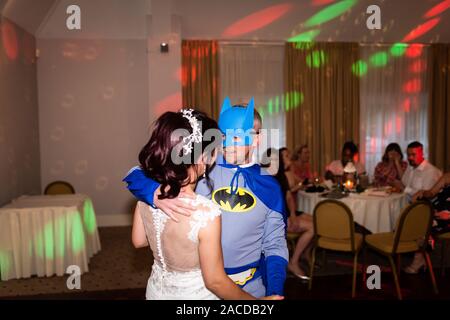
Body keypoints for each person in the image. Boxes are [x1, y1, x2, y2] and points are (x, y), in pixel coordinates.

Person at [125, 97, 288, 298]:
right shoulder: (201, 167)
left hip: (248, 286)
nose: (228, 145)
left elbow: (275, 244)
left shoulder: (269, 186)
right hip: (202, 282)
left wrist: (275, 290)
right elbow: (137, 173)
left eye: (236, 138)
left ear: (256, 139)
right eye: (223, 136)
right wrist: (155, 193)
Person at [267, 148, 313, 280]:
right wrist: (287, 217)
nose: (289, 160)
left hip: (286, 214)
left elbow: (288, 197)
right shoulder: (267, 177)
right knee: (313, 227)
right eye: (286, 157)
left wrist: (292, 214)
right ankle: (294, 261)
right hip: (277, 218)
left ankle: (305, 253)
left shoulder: (282, 175)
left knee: (317, 222)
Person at [404, 173, 450, 274]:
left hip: (447, 217)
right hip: (435, 211)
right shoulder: (447, 176)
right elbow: (431, 193)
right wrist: (423, 192)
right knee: (413, 218)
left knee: (427, 225)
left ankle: (420, 255)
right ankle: (421, 252)